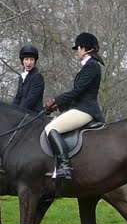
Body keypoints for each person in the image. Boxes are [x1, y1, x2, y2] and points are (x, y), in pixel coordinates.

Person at [43, 32, 105, 179]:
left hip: (85, 109)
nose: (77, 52)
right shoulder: (89, 66)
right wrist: (58, 105)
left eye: (78, 48)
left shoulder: (91, 66)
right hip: (80, 107)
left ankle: (65, 166)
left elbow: (78, 91)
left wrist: (55, 100)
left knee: (51, 128)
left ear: (84, 49)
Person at [12, 43, 44, 113]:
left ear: (34, 61)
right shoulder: (22, 77)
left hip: (33, 114)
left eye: (31, 60)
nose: (28, 63)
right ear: (22, 61)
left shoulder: (37, 77)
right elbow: (18, 98)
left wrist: (18, 112)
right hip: (22, 113)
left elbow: (31, 99)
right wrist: (10, 110)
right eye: (26, 59)